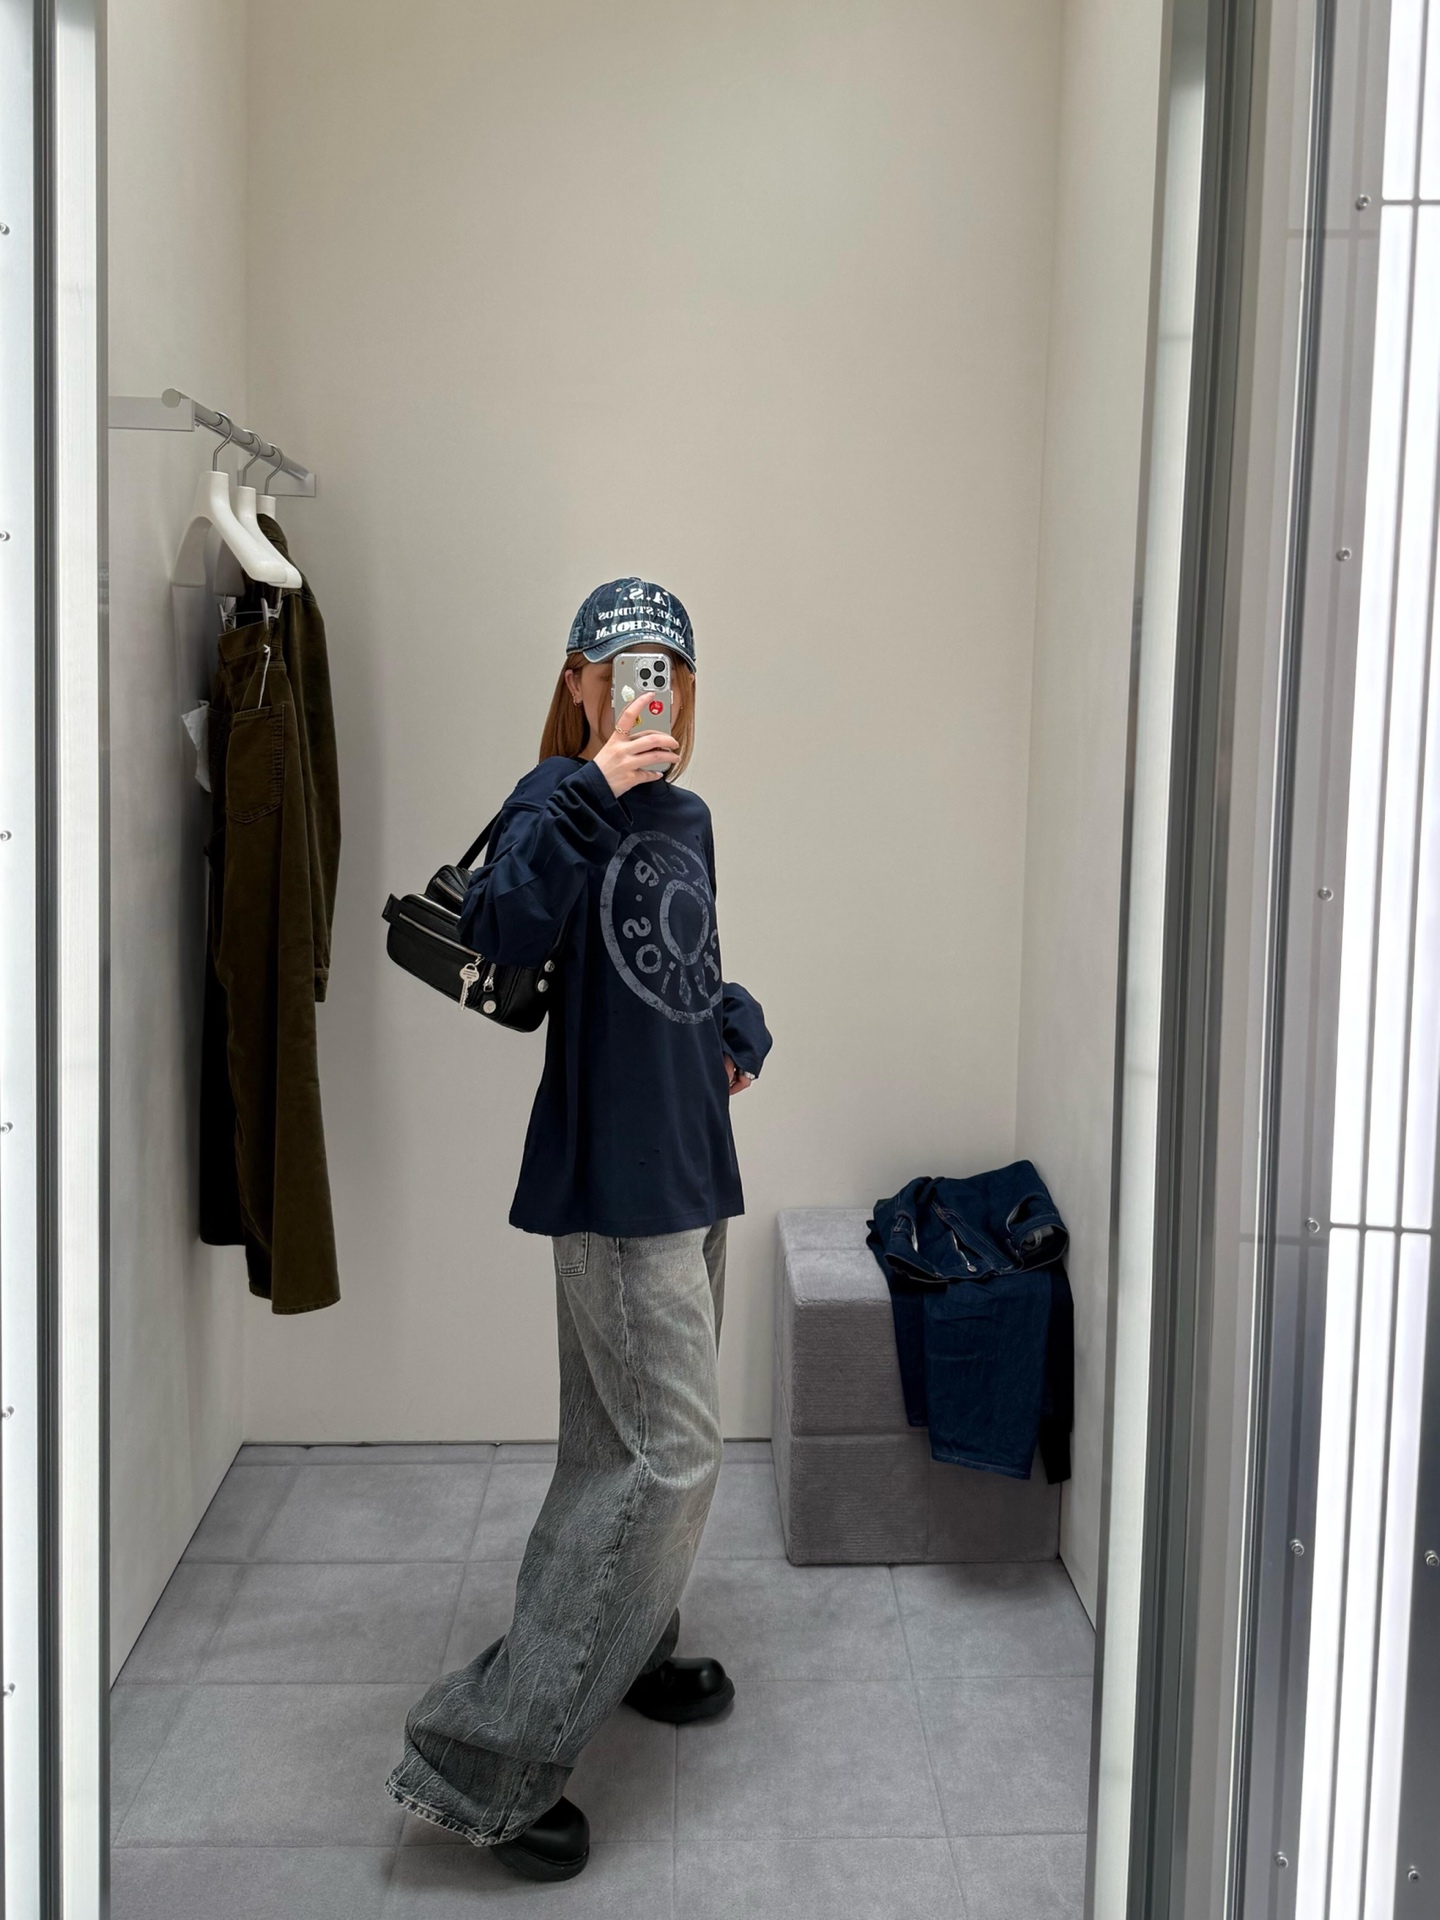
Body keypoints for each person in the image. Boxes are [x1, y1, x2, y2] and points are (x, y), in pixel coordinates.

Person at [385, 577, 772, 1881]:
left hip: (693, 1165)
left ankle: (631, 1648)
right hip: (613, 1187)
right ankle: (479, 1759)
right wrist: (592, 786)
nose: (649, 691)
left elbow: (667, 964)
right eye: (625, 670)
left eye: (669, 670)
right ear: (581, 683)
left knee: (618, 1452)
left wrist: (729, 1017)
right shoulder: (557, 798)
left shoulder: (691, 817)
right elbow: (502, 927)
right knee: (673, 1458)